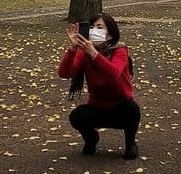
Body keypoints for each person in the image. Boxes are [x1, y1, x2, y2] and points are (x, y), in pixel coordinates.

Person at [58, 13, 140, 159]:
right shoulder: (84, 55)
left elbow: (113, 73)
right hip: (98, 107)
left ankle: (130, 144)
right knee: (77, 116)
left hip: (120, 108)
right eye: (91, 27)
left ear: (109, 35)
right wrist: (73, 49)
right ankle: (91, 139)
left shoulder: (120, 52)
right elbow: (64, 73)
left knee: (132, 108)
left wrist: (94, 53)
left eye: (99, 27)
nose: (93, 30)